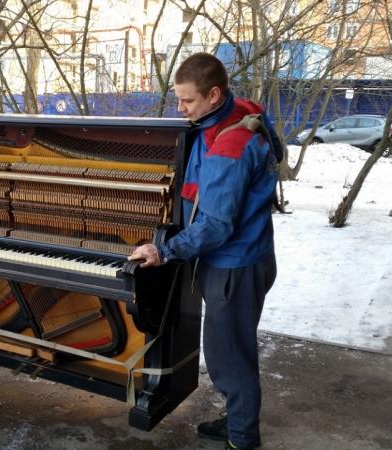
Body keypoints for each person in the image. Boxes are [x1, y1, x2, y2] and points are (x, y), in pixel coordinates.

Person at [128, 53, 278, 450]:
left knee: (229, 353)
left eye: (187, 102)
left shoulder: (230, 145)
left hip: (235, 265)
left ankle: (242, 437)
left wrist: (166, 250)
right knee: (233, 345)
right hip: (248, 255)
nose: (180, 110)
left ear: (214, 95)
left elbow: (216, 224)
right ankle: (239, 421)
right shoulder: (235, 115)